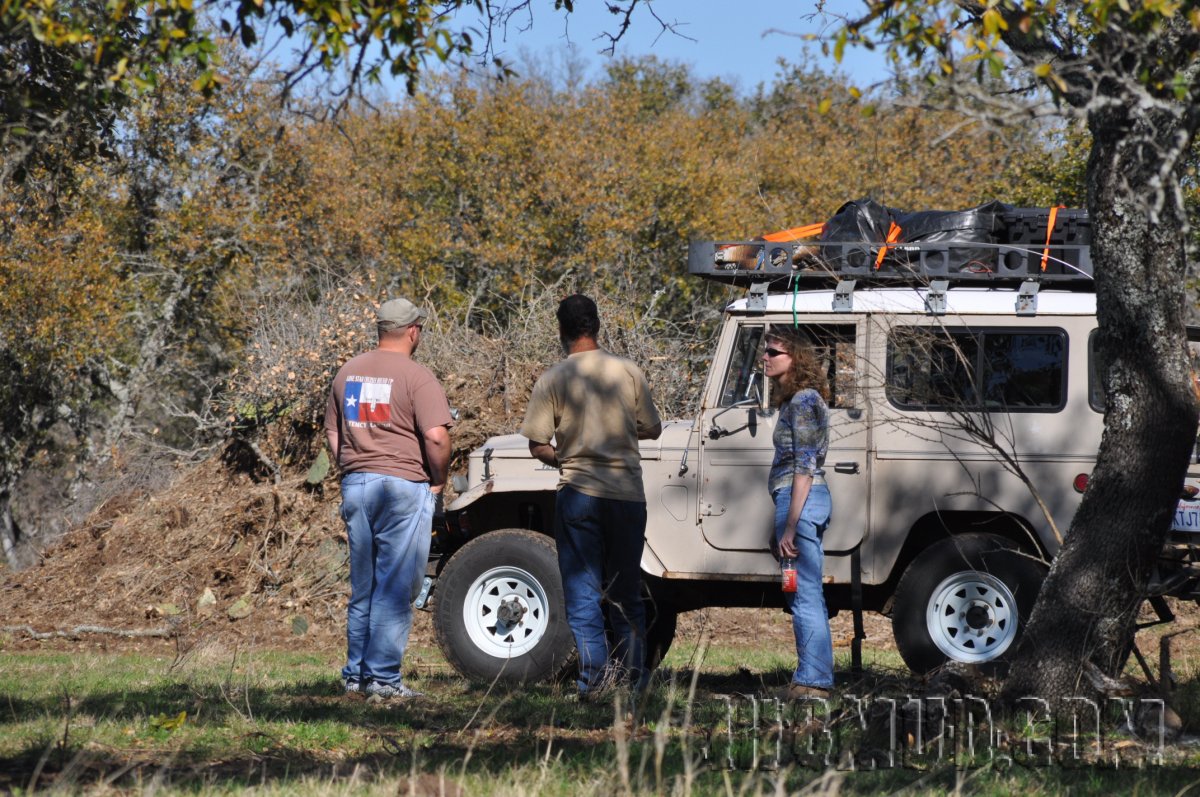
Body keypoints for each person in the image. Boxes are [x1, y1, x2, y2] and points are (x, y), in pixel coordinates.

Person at [521, 294, 662, 698]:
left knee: (583, 592)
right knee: (626, 591)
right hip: (626, 496)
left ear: (561, 331)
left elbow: (536, 443)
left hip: (579, 493)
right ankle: (633, 680)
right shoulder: (628, 371)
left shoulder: (553, 378)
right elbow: (652, 428)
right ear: (598, 326)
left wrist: (566, 456)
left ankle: (594, 682)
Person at [324, 297, 453, 700]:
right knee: (396, 586)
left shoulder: (348, 372)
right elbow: (436, 436)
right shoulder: (418, 377)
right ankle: (383, 680)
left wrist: (350, 467)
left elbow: (332, 434)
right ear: (413, 330)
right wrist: (438, 480)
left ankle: (356, 678)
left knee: (364, 585)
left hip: (357, 485)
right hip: (402, 487)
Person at [762, 324, 834, 700]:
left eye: (774, 352)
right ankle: (809, 676)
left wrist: (790, 525)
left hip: (800, 503)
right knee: (798, 591)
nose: (766, 357)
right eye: (766, 350)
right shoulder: (795, 401)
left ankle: (815, 682)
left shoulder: (805, 400)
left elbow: (805, 466)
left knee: (804, 593)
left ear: (796, 359)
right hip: (793, 503)